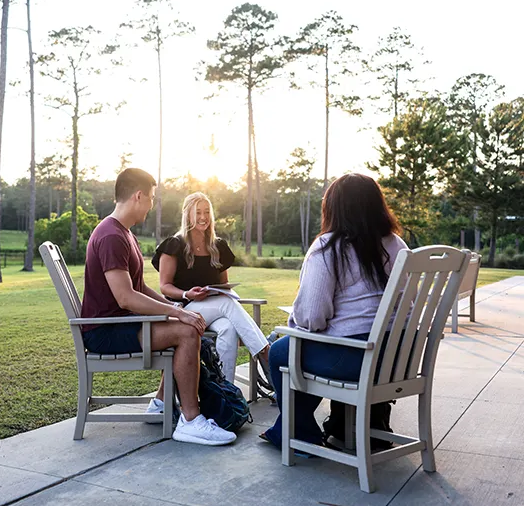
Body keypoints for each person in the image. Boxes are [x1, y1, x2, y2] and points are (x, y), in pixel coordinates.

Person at [81, 168, 236, 446]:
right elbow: (126, 298)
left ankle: (161, 403)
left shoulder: (123, 233)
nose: (152, 205)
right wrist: (178, 312)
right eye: (151, 198)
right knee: (187, 333)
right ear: (138, 196)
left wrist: (176, 307)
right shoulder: (111, 236)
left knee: (184, 324)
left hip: (122, 324)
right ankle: (190, 421)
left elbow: (139, 288)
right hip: (106, 331)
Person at [261, 173, 408, 451]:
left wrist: (296, 323)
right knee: (294, 348)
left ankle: (299, 434)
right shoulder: (397, 245)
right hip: (401, 356)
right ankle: (289, 429)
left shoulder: (329, 247)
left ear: (334, 208)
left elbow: (311, 317)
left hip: (360, 358)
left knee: (281, 350)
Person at [151, 191, 270, 384]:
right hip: (184, 310)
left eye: (207, 212)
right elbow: (164, 287)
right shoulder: (174, 245)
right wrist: (186, 293)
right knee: (226, 303)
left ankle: (226, 389)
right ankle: (266, 352)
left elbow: (223, 285)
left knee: (228, 329)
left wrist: (219, 290)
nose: (203, 217)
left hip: (213, 309)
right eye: (198, 212)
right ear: (187, 214)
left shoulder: (218, 246)